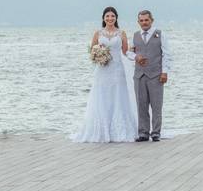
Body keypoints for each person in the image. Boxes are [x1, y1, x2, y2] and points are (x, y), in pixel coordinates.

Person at [71, 7, 137, 142]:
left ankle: (120, 130)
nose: (110, 18)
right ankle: (101, 130)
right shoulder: (98, 33)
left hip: (118, 69)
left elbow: (125, 52)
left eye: (113, 16)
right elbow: (92, 51)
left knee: (118, 96)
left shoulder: (122, 33)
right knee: (102, 96)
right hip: (102, 70)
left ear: (116, 18)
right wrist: (98, 56)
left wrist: (136, 56)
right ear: (103, 18)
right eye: (107, 16)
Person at [132, 9, 171, 142]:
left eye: (146, 20)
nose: (144, 22)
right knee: (141, 105)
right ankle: (143, 132)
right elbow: (128, 52)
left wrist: (165, 71)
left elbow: (167, 54)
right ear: (138, 22)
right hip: (139, 75)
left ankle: (155, 132)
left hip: (156, 74)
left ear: (151, 20)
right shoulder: (135, 35)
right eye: (141, 20)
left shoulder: (160, 34)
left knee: (156, 105)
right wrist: (135, 57)